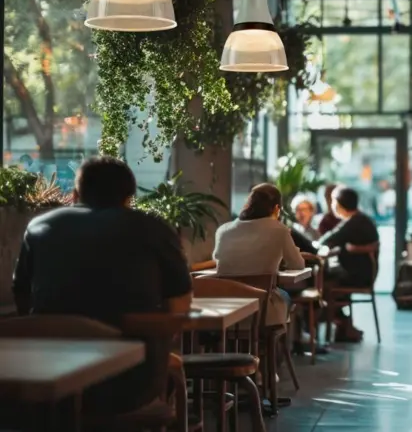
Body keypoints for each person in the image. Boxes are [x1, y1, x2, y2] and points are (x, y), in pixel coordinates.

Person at [12, 156, 193, 414]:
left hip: (47, 375)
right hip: (129, 380)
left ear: (75, 194)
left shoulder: (39, 226)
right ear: (129, 197)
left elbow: (22, 298)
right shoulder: (153, 229)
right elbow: (178, 308)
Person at [213, 183, 304, 326]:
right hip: (262, 307)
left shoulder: (223, 230)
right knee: (287, 296)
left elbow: (219, 260)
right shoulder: (279, 230)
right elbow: (298, 264)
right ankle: (282, 347)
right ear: (276, 208)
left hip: (226, 307)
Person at [317, 186, 379, 341]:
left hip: (357, 275)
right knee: (327, 279)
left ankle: (335, 323)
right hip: (364, 273)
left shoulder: (353, 222)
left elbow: (327, 240)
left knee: (323, 282)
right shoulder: (362, 219)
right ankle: (343, 324)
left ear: (338, 204)